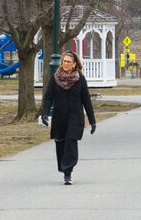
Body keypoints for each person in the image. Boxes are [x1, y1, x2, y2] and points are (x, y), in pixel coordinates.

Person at [41, 50, 96, 185]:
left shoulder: (80, 79)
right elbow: (48, 97)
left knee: (70, 143)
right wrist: (45, 113)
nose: (65, 64)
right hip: (60, 116)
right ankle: (64, 167)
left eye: (68, 62)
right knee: (60, 143)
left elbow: (86, 100)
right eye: (64, 61)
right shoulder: (55, 79)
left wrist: (92, 121)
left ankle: (68, 173)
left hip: (75, 117)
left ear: (74, 64)